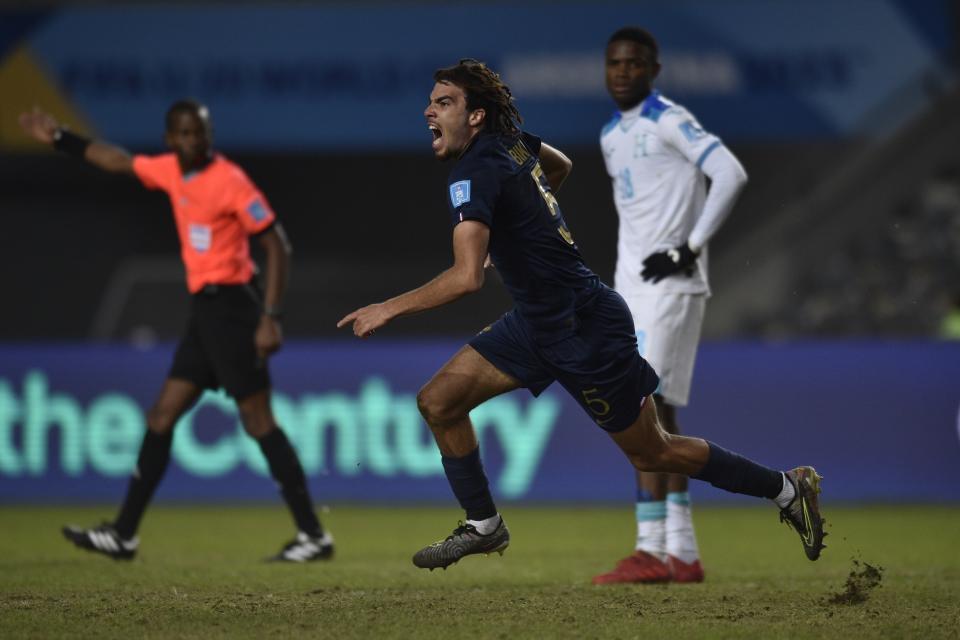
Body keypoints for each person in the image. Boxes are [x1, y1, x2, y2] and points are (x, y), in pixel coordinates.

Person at [337, 59, 825, 571]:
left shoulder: (474, 171)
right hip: (534, 322)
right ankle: (483, 524)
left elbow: (465, 279)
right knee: (439, 402)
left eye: (444, 102)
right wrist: (520, 225)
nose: (429, 111)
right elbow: (561, 166)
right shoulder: (513, 143)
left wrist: (388, 307)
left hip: (584, 327)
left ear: (476, 116)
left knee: (653, 453)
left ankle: (787, 488)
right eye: (431, 102)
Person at [19, 101, 333, 562]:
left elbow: (276, 243)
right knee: (161, 417)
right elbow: (119, 161)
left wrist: (271, 316)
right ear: (170, 139)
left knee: (259, 422)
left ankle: (313, 536)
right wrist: (63, 139)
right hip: (204, 314)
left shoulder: (230, 180)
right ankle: (124, 534)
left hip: (234, 309)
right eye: (184, 134)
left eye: (200, 133)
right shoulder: (168, 169)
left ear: (209, 136)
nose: (193, 141)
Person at [592, 27, 749, 585]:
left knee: (637, 405)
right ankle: (679, 551)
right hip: (630, 292)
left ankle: (650, 548)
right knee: (661, 417)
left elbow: (730, 172)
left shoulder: (669, 118)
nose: (622, 72)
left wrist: (689, 247)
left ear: (653, 70)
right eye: (614, 63)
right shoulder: (612, 133)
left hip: (671, 288)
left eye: (634, 64)